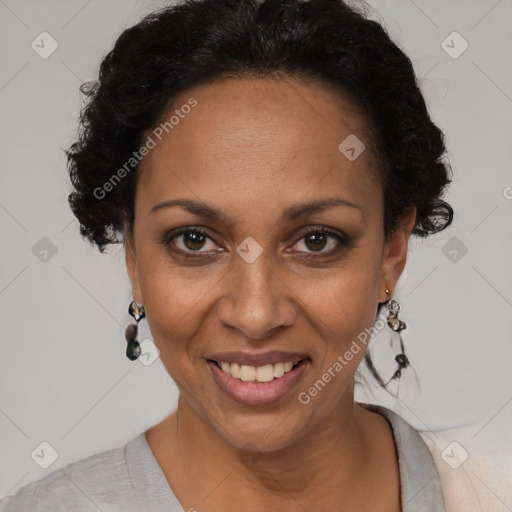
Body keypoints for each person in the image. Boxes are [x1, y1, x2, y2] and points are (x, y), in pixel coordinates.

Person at [0, 0, 453, 510]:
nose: (256, 315)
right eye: (194, 240)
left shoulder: (485, 493)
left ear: (392, 252)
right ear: (132, 257)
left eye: (315, 240)